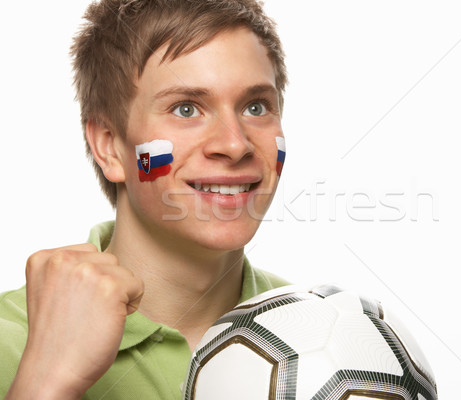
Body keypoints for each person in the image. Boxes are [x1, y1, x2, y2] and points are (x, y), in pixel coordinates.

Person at [0, 0, 290, 398]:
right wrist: (45, 382)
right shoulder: (10, 344)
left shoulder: (334, 337)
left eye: (256, 106)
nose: (235, 144)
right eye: (186, 108)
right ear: (109, 148)